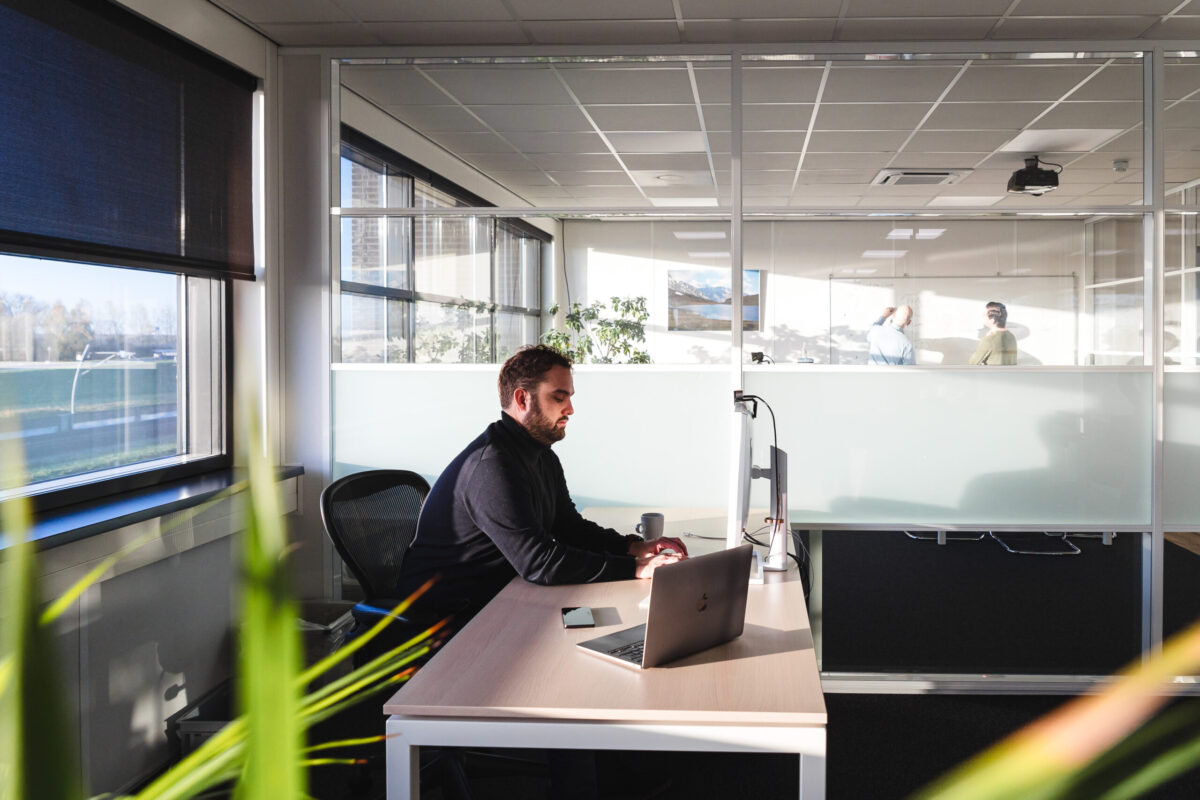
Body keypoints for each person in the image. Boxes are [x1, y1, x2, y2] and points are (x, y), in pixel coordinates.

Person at [395, 344, 687, 630]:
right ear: (522, 399)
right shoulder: (492, 466)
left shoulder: (540, 454)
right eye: (559, 397)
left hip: (503, 597)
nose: (570, 409)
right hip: (448, 621)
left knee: (611, 623)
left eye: (569, 397)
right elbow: (538, 563)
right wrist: (636, 566)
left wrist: (633, 546)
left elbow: (569, 528)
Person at [968, 301, 1018, 365]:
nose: (983, 318)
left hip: (992, 375)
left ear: (992, 319)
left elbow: (972, 363)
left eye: (984, 315)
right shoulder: (1012, 337)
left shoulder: (989, 340)